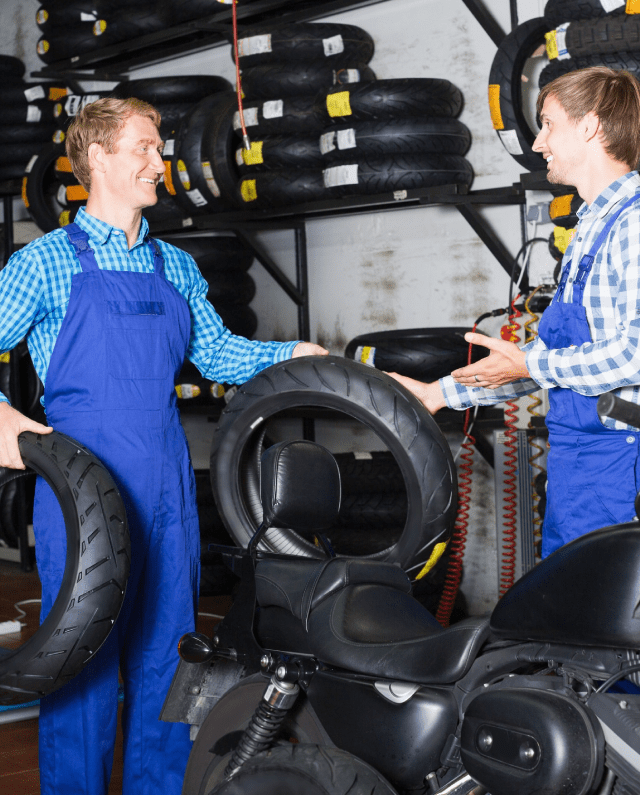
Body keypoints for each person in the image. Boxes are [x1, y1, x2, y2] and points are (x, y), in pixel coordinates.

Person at [0, 97, 327, 795]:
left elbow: (217, 352)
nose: (161, 162)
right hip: (79, 494)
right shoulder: (45, 263)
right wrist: (5, 420)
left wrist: (291, 352)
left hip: (167, 490)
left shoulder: (175, 266)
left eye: (160, 147)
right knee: (80, 665)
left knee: (173, 659)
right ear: (96, 160)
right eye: (144, 148)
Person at [390, 66, 640, 559]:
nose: (538, 142)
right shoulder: (592, 225)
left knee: (612, 625)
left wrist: (531, 363)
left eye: (548, 124)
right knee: (571, 617)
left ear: (589, 127)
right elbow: (558, 358)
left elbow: (634, 354)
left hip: (620, 464)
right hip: (578, 463)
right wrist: (440, 393)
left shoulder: (633, 225)